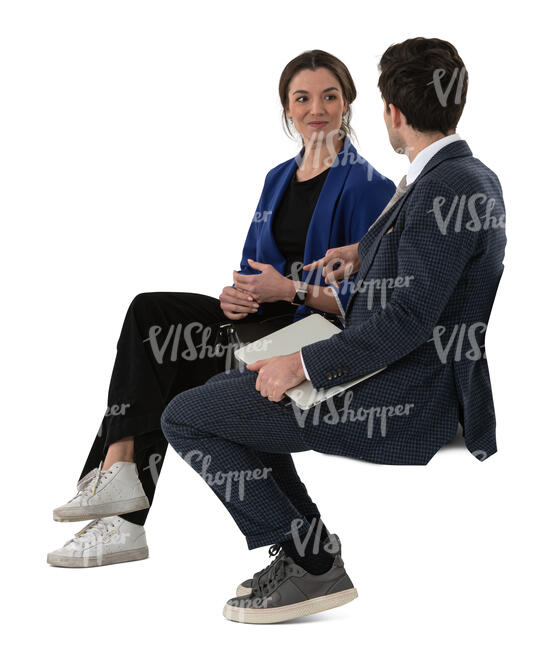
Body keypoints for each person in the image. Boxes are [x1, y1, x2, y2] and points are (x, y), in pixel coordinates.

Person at [160, 37, 506, 624]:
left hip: (402, 390)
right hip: (389, 365)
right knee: (228, 395)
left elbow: (407, 318)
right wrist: (363, 253)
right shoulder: (451, 174)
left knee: (185, 416)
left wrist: (302, 366)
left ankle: (309, 563)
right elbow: (420, 272)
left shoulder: (447, 184)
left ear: (391, 111)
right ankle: (311, 554)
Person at [47, 50, 395, 568]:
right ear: (286, 108)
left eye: (329, 96)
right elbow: (254, 273)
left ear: (347, 104)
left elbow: (374, 303)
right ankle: (119, 478)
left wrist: (290, 290)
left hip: (316, 337)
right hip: (264, 323)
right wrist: (239, 297)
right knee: (150, 317)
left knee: (173, 368)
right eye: (303, 97)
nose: (316, 108)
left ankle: (123, 516)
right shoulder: (277, 178)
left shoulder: (371, 187)